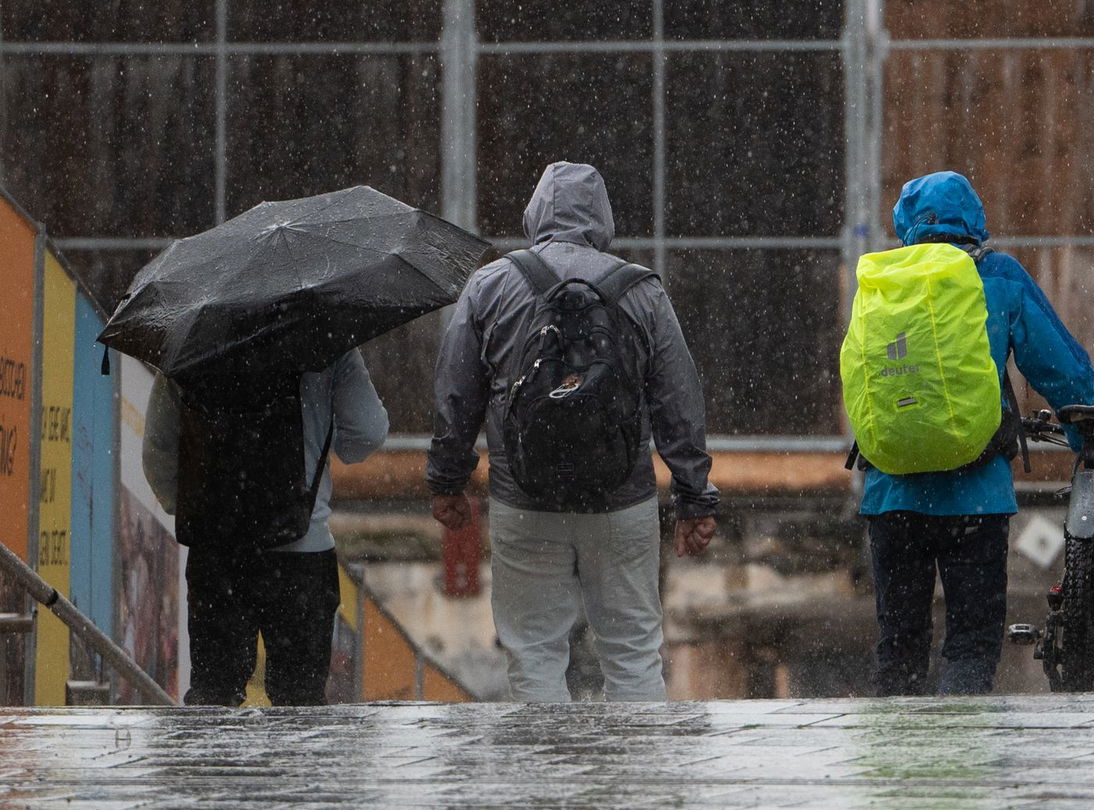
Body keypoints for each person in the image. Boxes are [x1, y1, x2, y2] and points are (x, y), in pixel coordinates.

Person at [428, 161, 718, 703]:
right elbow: (679, 399)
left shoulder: (491, 285)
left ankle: (546, 782)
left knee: (534, 657)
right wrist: (695, 498)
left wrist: (448, 481)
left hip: (523, 497)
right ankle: (635, 783)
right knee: (633, 655)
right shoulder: (642, 291)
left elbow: (455, 392)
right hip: (622, 499)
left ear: (535, 214)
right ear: (603, 220)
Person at [859, 171, 1094, 696]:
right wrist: (1085, 431)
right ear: (974, 220)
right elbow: (1058, 366)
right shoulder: (996, 274)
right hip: (974, 495)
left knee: (899, 647)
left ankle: (893, 771)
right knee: (971, 644)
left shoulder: (883, 280)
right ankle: (959, 766)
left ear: (905, 224)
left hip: (890, 493)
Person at [143, 350, 389, 705]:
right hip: (302, 552)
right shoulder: (326, 337)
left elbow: (157, 449)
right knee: (299, 702)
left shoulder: (195, 342)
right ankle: (293, 762)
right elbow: (368, 431)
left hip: (217, 555)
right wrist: (335, 442)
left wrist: (190, 507)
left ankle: (211, 761)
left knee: (214, 698)